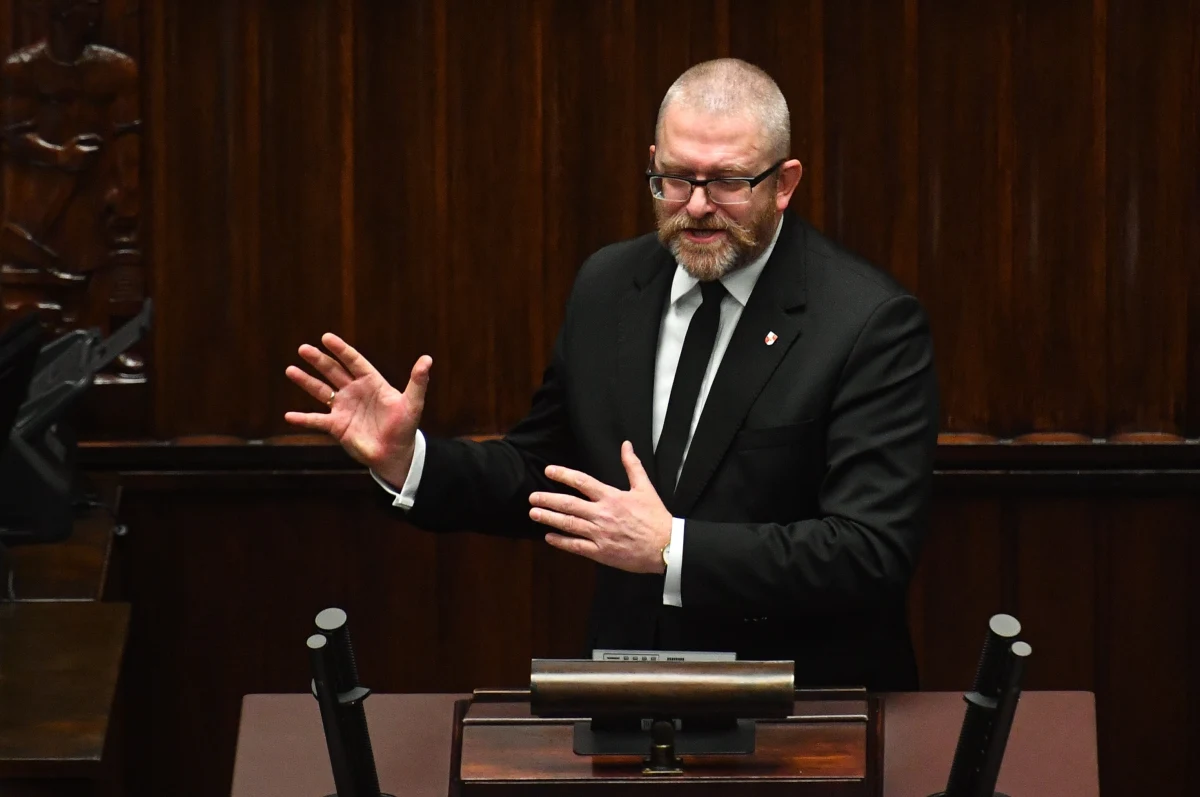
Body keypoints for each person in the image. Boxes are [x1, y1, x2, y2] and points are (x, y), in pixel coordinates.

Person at [286, 59, 939, 691]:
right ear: (653, 164)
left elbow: (868, 550)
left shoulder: (867, 322)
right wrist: (409, 461)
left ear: (785, 181)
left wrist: (672, 548)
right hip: (628, 696)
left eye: (728, 182)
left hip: (803, 710)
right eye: (676, 179)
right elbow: (546, 474)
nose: (698, 206)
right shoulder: (609, 287)